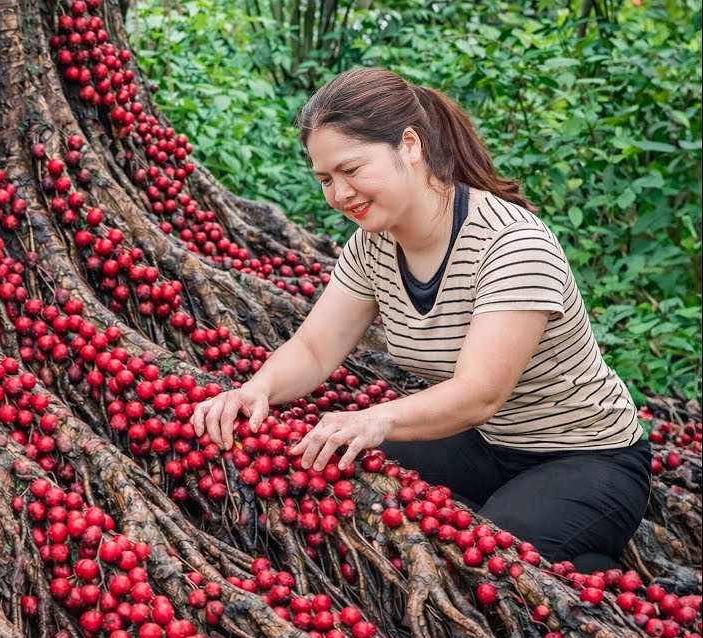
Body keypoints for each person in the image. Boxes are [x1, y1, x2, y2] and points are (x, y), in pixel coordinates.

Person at [189, 67, 650, 574]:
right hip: (483, 444)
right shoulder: (372, 245)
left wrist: (375, 418)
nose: (340, 194)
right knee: (341, 485)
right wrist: (257, 388)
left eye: (352, 169)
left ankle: (585, 560)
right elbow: (317, 347)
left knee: (485, 568)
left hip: (582, 457)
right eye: (325, 179)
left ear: (409, 145)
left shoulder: (511, 244)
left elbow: (480, 393)